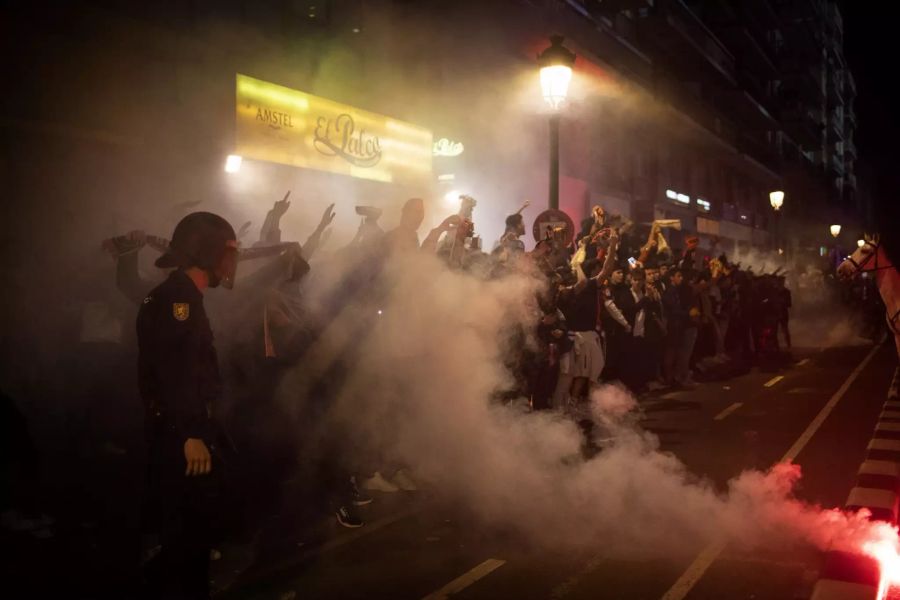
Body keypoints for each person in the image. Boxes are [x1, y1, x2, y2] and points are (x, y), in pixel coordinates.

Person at [137, 211, 238, 599]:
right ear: (208, 251)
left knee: (194, 526)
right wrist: (192, 433)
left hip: (183, 429)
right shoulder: (177, 299)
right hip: (181, 435)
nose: (231, 263)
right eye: (227, 252)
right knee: (187, 530)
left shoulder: (182, 295)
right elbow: (175, 375)